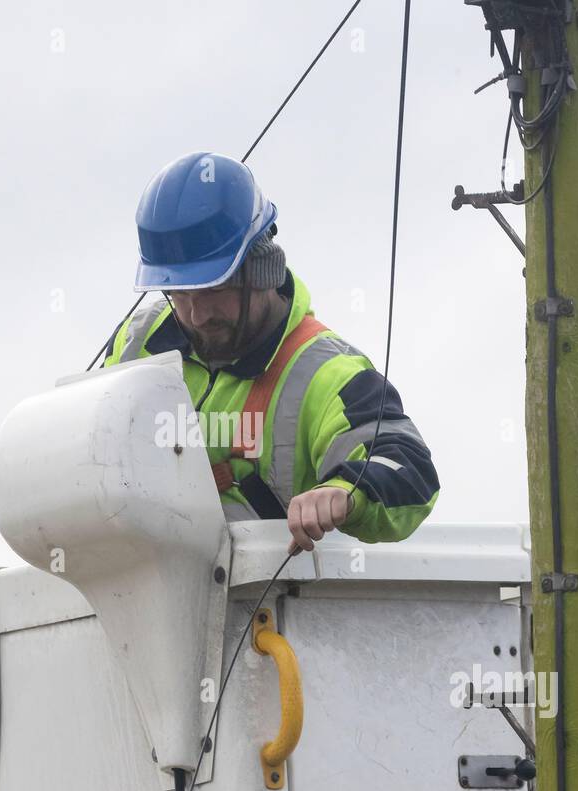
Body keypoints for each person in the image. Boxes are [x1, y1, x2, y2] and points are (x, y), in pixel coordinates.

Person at [101, 151, 440, 552]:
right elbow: (87, 443)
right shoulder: (137, 339)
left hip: (267, 605)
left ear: (262, 269)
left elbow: (409, 467)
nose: (196, 313)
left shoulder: (327, 372)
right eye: (178, 292)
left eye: (213, 289)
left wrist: (346, 490)